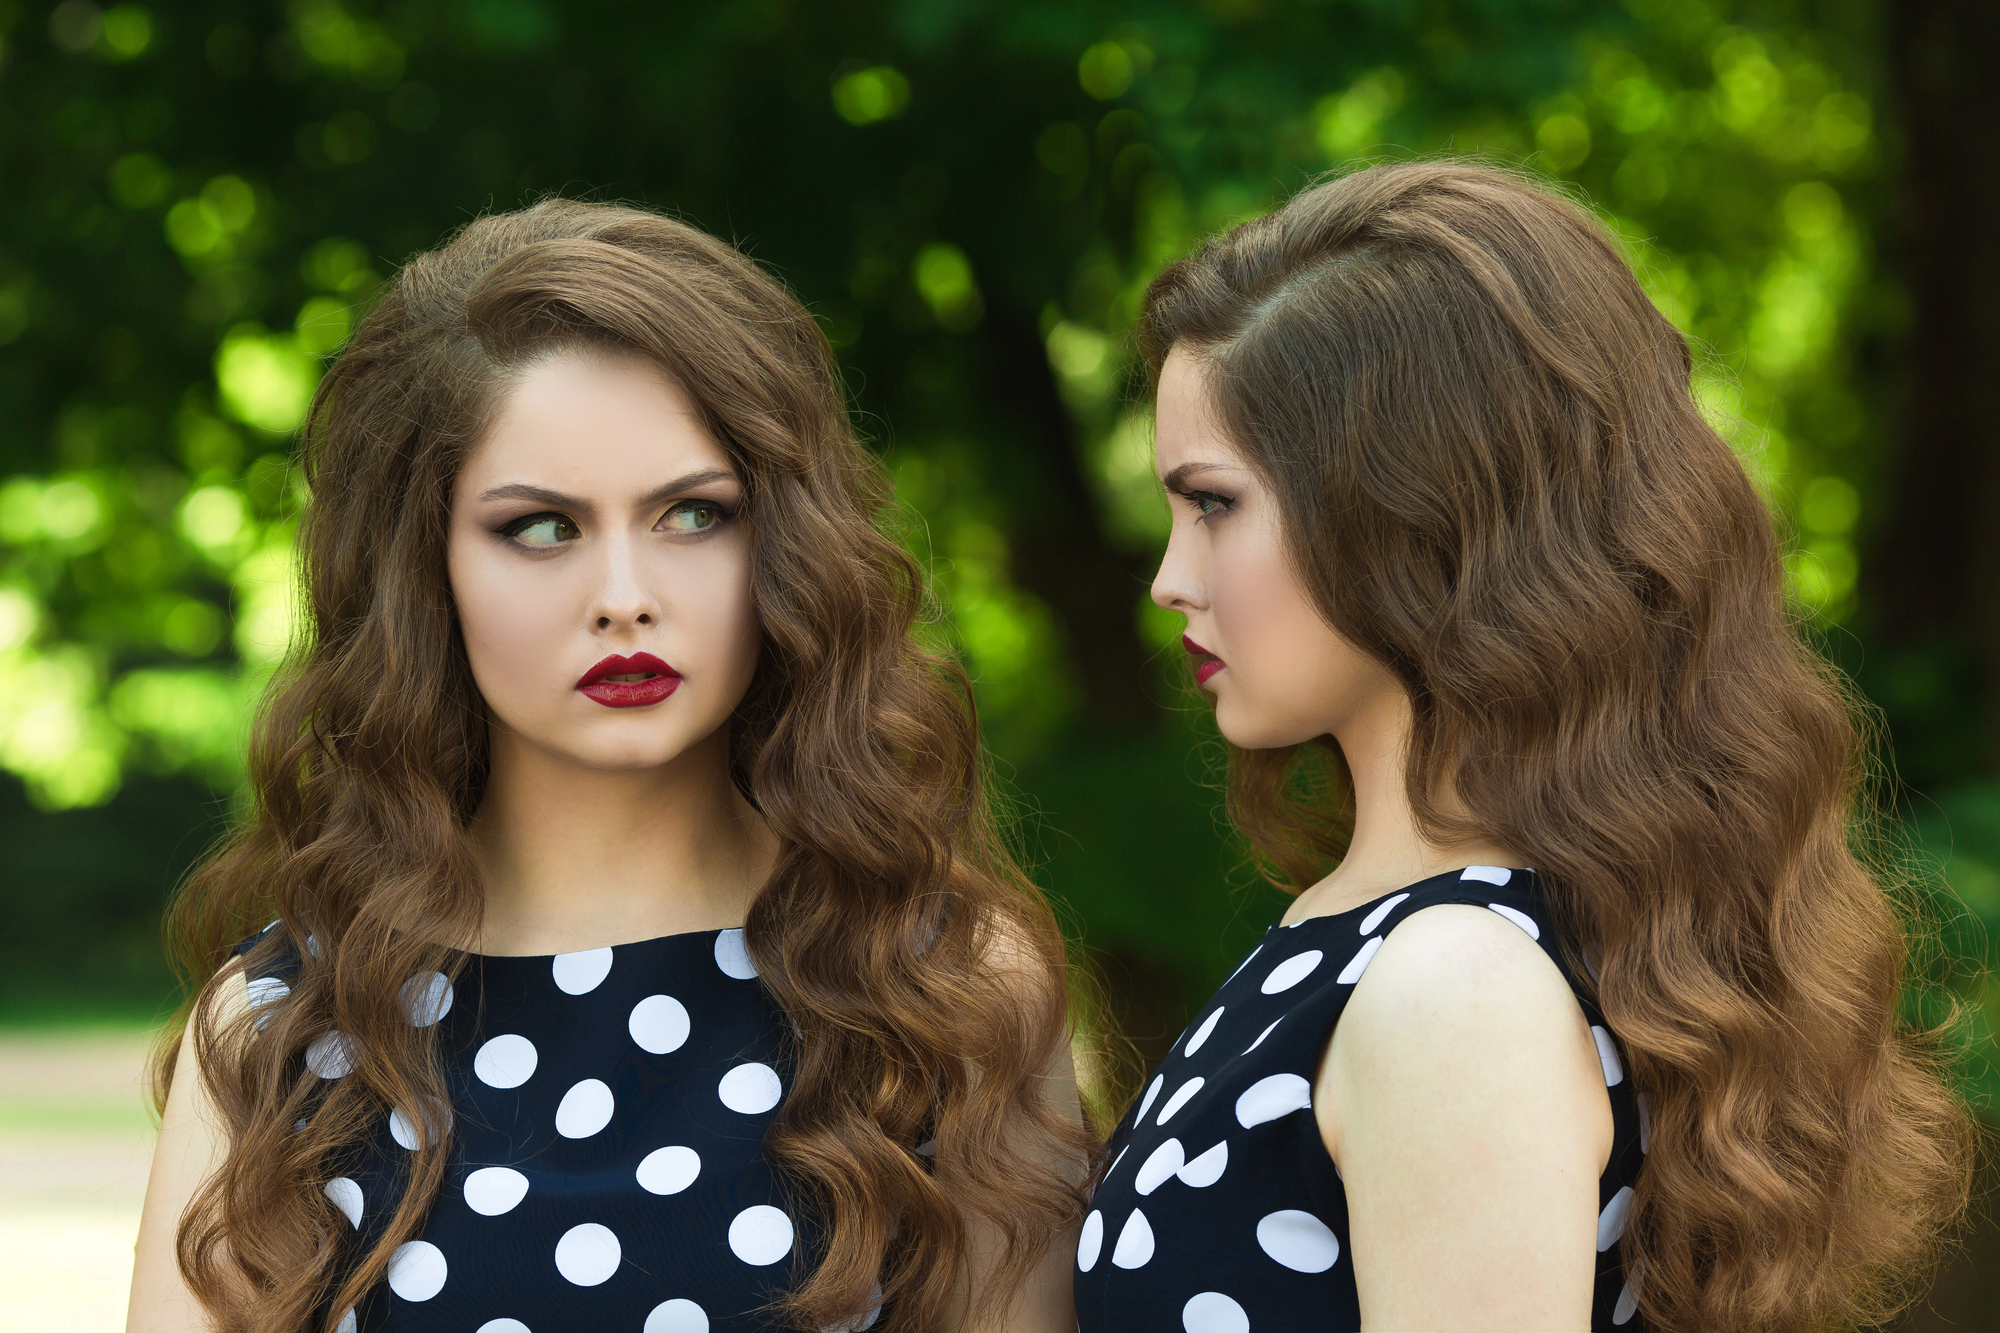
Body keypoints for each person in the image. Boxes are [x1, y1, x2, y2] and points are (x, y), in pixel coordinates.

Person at [129, 201, 1092, 1333]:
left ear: (782, 541)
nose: (623, 594)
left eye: (692, 513)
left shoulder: (948, 989)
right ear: (421, 570)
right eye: (539, 527)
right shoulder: (281, 1029)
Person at [1073, 162, 1973, 1333]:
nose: (1168, 580)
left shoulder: (1453, 987)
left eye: (1215, 505)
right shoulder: (1387, 936)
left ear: (1408, 505)